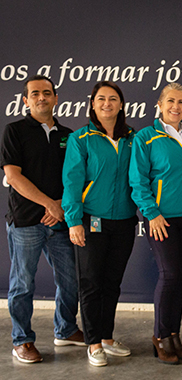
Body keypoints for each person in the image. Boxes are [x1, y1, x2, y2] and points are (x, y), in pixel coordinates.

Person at [1, 75, 85, 364]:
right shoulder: (14, 131)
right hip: (26, 222)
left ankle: (66, 329)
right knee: (23, 284)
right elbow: (13, 176)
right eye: (35, 93)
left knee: (71, 280)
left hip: (59, 221)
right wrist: (50, 204)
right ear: (26, 100)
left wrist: (60, 206)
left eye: (47, 93)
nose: (41, 98)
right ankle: (22, 340)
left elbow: (75, 177)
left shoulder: (68, 135)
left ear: (55, 98)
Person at [61, 81, 138, 367]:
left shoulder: (132, 138)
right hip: (91, 220)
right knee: (91, 282)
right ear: (93, 103)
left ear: (121, 104)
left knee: (112, 283)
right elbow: (71, 182)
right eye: (101, 98)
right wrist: (73, 221)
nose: (107, 103)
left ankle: (106, 337)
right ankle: (93, 343)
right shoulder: (81, 138)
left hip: (124, 220)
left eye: (113, 99)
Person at [129, 82, 182, 365]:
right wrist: (151, 213)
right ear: (159, 104)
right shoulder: (146, 138)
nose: (176, 107)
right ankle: (160, 336)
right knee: (170, 274)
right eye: (171, 101)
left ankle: (174, 334)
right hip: (162, 219)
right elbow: (137, 180)